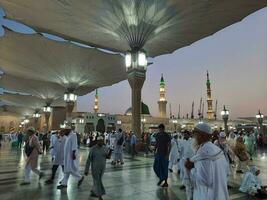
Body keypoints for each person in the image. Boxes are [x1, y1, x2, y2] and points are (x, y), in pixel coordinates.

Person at [185, 123, 229, 200]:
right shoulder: (217, 150)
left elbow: (205, 181)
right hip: (220, 194)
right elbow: (226, 172)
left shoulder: (204, 153)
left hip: (207, 196)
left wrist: (191, 168)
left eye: (195, 133)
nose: (193, 136)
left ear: (202, 135)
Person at [84, 136, 112, 200]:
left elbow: (108, 157)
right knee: (98, 181)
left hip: (102, 168)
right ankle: (100, 195)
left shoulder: (105, 148)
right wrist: (86, 170)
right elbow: (89, 160)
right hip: (95, 168)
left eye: (102, 141)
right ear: (97, 141)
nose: (101, 142)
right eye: (100, 141)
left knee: (97, 181)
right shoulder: (93, 149)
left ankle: (93, 191)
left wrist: (110, 152)